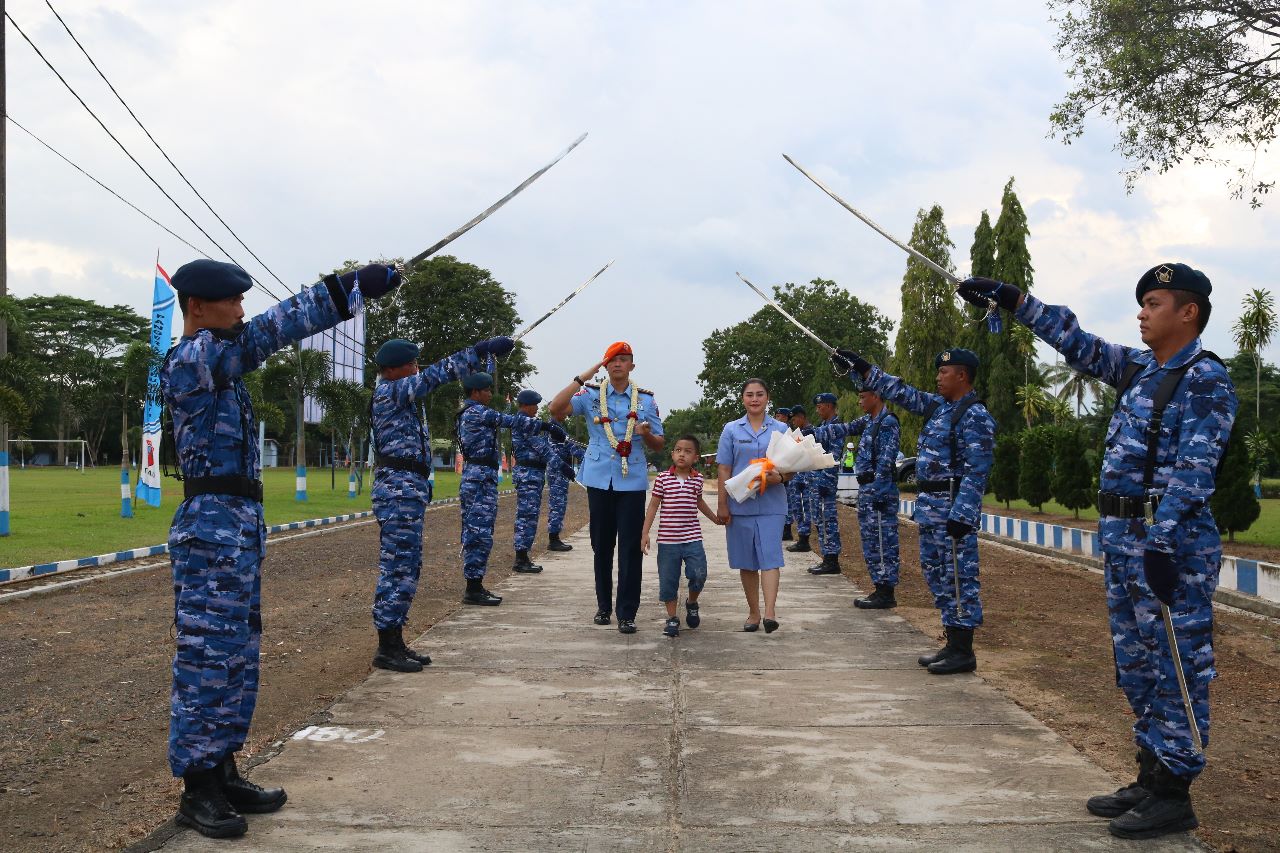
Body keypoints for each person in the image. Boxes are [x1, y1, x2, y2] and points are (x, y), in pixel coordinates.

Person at [959, 264, 1236, 840]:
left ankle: (1175, 791)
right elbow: (1077, 342)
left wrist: (1162, 541)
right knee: (1137, 664)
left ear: (1188, 312)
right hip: (1123, 542)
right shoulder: (1140, 370)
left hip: (1169, 547)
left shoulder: (1203, 378)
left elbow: (1196, 465)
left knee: (1177, 664)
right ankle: (1150, 770)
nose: (1141, 313)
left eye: (1153, 303)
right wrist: (1013, 299)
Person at [162, 259, 400, 838]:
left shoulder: (220, 366)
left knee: (237, 654)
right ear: (196, 306)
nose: (241, 311)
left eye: (243, 303)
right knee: (205, 657)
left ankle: (223, 768)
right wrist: (343, 292)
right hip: (211, 525)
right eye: (231, 302)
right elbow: (267, 333)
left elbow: (253, 335)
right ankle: (198, 788)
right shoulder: (192, 358)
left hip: (237, 524)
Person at [831, 345, 995, 675]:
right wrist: (862, 368)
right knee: (936, 573)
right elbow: (902, 393)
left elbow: (977, 470)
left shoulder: (973, 415)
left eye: (944, 372)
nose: (938, 377)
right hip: (931, 509)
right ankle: (952, 641)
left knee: (959, 577)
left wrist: (962, 515)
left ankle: (964, 649)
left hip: (951, 511)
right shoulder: (940, 408)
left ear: (962, 375)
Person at [368, 336, 506, 674]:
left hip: (407, 489)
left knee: (408, 565)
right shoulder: (390, 391)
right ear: (393, 369)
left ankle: (395, 639)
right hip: (398, 491)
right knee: (398, 565)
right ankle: (386, 646)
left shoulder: (401, 394)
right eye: (412, 364)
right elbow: (435, 376)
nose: (418, 368)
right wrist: (477, 353)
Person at [548, 341, 665, 634]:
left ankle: (627, 612)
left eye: (623, 360)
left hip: (632, 481)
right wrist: (583, 376)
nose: (617, 364)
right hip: (600, 478)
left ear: (631, 366)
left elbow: (660, 444)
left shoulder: (646, 401)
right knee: (601, 545)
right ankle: (603, 606)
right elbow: (556, 409)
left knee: (630, 548)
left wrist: (646, 434)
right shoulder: (589, 395)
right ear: (604, 365)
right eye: (612, 360)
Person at [456, 373, 566, 605]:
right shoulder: (476, 412)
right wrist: (546, 425)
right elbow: (511, 420)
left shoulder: (475, 411)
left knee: (482, 532)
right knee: (478, 533)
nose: (489, 393)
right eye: (486, 390)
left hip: (480, 477)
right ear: (475, 392)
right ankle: (473, 588)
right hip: (478, 478)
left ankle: (475, 585)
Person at [810, 385, 901, 608]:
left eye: (862, 397)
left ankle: (886, 591)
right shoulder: (869, 421)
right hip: (868, 490)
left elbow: (886, 461)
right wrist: (808, 434)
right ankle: (879, 588)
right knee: (870, 541)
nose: (859, 402)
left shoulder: (887, 422)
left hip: (879, 491)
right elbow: (843, 428)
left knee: (882, 541)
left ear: (876, 396)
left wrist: (878, 491)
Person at [716, 378, 792, 632]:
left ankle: (770, 612)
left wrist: (778, 478)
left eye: (760, 394)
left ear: (768, 398)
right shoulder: (731, 430)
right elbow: (724, 468)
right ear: (742, 399)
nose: (755, 399)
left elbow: (793, 466)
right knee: (746, 561)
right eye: (750, 395)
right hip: (740, 505)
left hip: (772, 504)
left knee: (770, 557)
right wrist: (722, 504)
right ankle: (753, 613)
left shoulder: (781, 429)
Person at [641, 435, 722, 637]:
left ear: (696, 457)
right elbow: (653, 506)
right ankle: (672, 619)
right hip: (668, 541)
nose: (682, 454)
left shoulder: (698, 479)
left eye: (687, 451)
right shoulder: (662, 478)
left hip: (692, 538)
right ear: (672, 454)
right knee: (668, 580)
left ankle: (692, 602)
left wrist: (715, 518)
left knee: (698, 574)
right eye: (678, 450)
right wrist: (645, 533)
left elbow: (699, 502)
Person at [510, 389, 566, 573]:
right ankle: (521, 558)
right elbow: (543, 448)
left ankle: (523, 556)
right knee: (526, 517)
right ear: (525, 405)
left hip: (533, 473)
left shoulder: (530, 423)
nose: (536, 408)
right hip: (528, 473)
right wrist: (562, 466)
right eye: (534, 405)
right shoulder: (524, 423)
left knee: (530, 516)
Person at [806, 392, 844, 575]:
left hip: (825, 483)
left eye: (820, 407)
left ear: (829, 406)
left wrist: (825, 481)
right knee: (819, 520)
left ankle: (832, 559)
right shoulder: (821, 426)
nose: (817, 410)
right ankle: (826, 557)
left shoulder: (836, 427)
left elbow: (834, 456)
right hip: (816, 481)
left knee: (827, 520)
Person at [546, 422, 585, 551]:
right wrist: (592, 457)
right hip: (557, 474)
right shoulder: (554, 435)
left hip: (560, 474)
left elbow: (574, 449)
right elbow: (574, 449)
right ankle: (553, 539)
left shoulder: (558, 433)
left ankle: (555, 537)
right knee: (557, 505)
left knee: (559, 505)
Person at [785, 405, 812, 553]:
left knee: (806, 508)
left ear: (801, 417)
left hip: (806, 477)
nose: (793, 421)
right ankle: (802, 538)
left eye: (795, 418)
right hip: (796, 477)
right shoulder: (798, 433)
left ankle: (805, 539)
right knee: (797, 508)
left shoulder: (811, 432)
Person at [775, 407, 794, 540]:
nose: (778, 418)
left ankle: (787, 530)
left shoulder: (787, 431)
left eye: (781, 416)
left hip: (787, 471)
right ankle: (782, 528)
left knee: (787, 501)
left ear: (787, 418)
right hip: (777, 469)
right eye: (776, 416)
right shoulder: (777, 430)